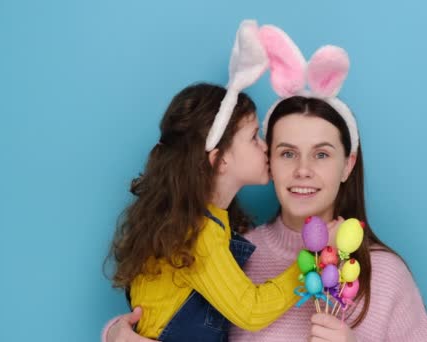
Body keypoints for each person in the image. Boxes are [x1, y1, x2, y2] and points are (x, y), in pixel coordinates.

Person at [104, 25, 427, 342]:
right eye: (287, 153)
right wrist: (117, 333)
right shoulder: (235, 254)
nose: (303, 170)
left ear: (348, 164)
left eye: (321, 155)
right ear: (270, 164)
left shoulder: (387, 275)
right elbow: (167, 302)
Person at [105, 21, 305, 342]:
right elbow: (250, 311)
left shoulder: (204, 224)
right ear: (220, 160)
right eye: (254, 137)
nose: (266, 146)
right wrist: (308, 264)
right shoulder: (198, 233)